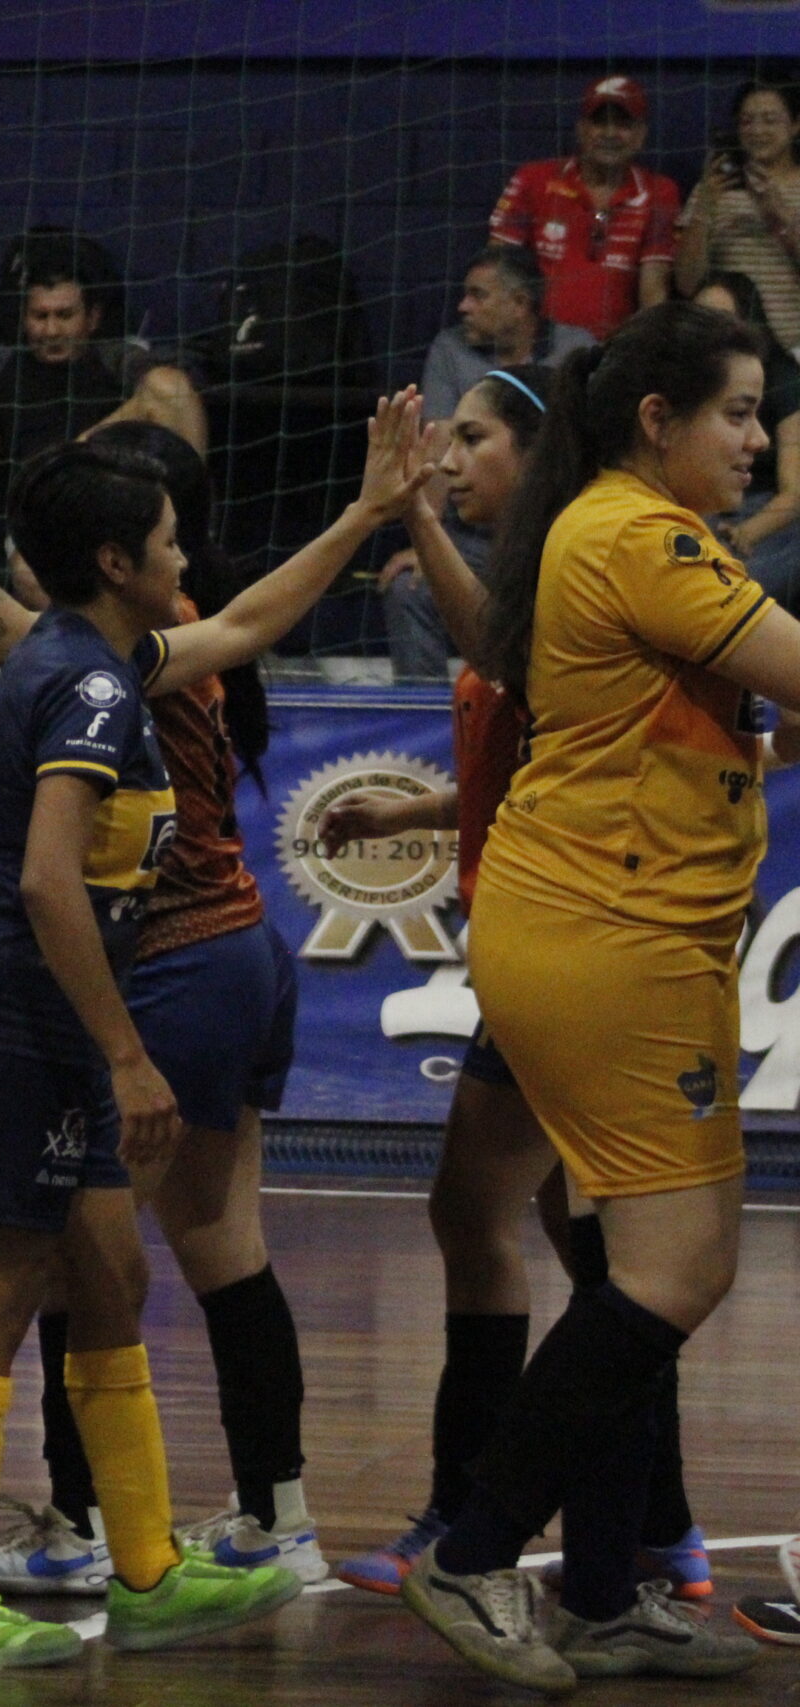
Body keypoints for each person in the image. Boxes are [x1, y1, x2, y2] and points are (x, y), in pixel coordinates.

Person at [0, 393, 432, 1671]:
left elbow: (244, 622)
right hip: (16, 1006)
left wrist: (363, 509)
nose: (190, 554)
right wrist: (125, 1054)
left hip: (54, 998)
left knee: (114, 1279)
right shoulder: (87, 685)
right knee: (7, 1282)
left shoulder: (101, 654)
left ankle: (142, 1568)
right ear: (120, 563)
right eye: (171, 537)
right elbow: (47, 882)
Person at [398, 302, 783, 1691]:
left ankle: (609, 1590)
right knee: (676, 1271)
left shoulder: (641, 539)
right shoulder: (641, 534)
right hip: (609, 936)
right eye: (737, 414)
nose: (757, 440)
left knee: (641, 1269)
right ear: (656, 421)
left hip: (623, 931)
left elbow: (753, 713)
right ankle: (475, 1543)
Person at [329, 367, 714, 1610]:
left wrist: (409, 518)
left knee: (531, 1233)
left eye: (474, 440)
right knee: (576, 1249)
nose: (449, 454)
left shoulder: (570, 568)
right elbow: (531, 738)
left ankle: (473, 1521)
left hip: (580, 948)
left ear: (537, 454)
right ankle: (650, 1540)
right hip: (558, 940)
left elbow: (507, 659)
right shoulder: (567, 569)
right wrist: (434, 808)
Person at [383, 245, 595, 678]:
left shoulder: (578, 351)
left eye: (477, 295)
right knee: (409, 588)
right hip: (474, 539)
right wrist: (429, 536)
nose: (464, 307)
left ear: (519, 305)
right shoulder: (450, 348)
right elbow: (438, 438)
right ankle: (423, 724)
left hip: (552, 528)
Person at [0, 264, 205, 553]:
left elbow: (172, 391)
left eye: (64, 315)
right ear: (24, 318)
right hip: (41, 514)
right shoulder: (4, 369)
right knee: (30, 574)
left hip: (112, 510)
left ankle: (198, 540)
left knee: (167, 387)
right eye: (40, 316)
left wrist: (81, 447)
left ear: (92, 318)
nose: (51, 330)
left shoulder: (114, 357)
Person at [488, 75, 679, 342]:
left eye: (622, 123)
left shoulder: (660, 192)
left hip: (613, 352)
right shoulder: (533, 179)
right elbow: (496, 268)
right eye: (599, 122)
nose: (610, 133)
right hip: (535, 347)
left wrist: (642, 355)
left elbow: (654, 291)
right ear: (580, 129)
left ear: (640, 136)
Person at [693, 271, 800, 606]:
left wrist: (744, 533)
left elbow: (794, 494)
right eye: (700, 320)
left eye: (721, 320)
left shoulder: (784, 379)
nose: (709, 333)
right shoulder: (683, 379)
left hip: (766, 515)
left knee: (737, 591)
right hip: (700, 507)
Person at [677, 81, 800, 350]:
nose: (757, 131)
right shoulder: (713, 189)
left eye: (770, 120)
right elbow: (686, 284)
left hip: (794, 346)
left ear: (795, 125)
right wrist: (703, 211)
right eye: (747, 121)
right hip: (726, 347)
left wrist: (781, 218)